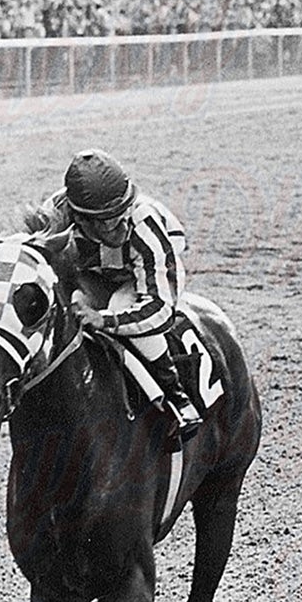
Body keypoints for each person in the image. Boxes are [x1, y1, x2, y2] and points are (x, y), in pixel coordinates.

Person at [39, 149, 202, 445]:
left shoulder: (144, 224)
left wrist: (104, 319)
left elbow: (159, 309)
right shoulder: (54, 216)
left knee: (119, 305)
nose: (121, 224)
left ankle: (178, 398)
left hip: (139, 272)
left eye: (122, 213)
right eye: (107, 220)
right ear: (79, 217)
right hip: (93, 269)